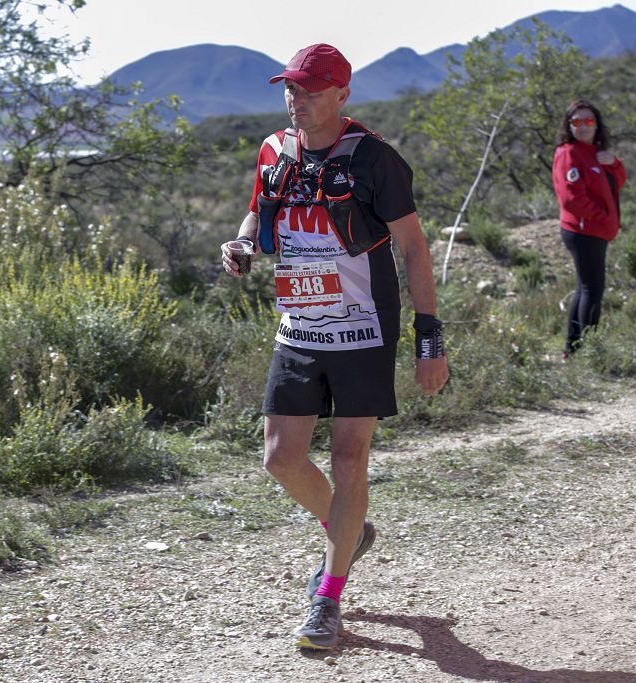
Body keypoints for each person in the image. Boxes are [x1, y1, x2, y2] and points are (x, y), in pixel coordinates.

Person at [219, 43, 449, 650]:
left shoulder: (375, 159)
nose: (297, 99)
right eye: (291, 88)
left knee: (350, 460)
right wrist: (242, 246)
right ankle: (346, 529)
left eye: (311, 90)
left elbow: (415, 249)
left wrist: (430, 339)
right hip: (298, 327)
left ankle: (328, 595)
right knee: (280, 458)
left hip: (363, 329)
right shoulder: (274, 150)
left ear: (342, 94)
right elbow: (255, 217)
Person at [552, 99, 626, 357]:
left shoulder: (595, 152)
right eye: (577, 122)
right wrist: (604, 219)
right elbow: (571, 199)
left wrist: (614, 162)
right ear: (569, 125)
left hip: (594, 230)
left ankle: (572, 349)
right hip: (583, 231)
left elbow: (618, 181)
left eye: (588, 121)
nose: (583, 126)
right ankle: (588, 352)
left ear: (596, 125)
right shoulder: (568, 153)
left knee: (585, 287)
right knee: (592, 289)